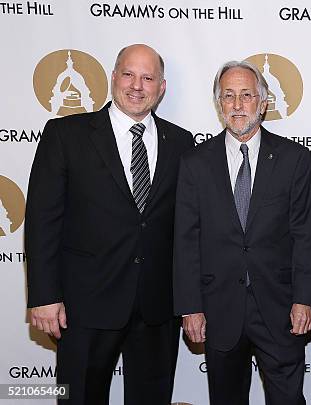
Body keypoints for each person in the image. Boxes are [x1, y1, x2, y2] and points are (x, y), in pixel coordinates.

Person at [25, 44, 194, 405]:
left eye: (148, 77)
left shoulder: (181, 143)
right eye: (129, 74)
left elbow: (187, 228)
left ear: (161, 87)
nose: (137, 85)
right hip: (84, 304)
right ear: (113, 77)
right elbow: (42, 221)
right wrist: (43, 296)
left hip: (157, 306)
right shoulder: (65, 135)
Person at [173, 60, 311, 405]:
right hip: (219, 308)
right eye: (228, 96)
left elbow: (305, 235)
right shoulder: (195, 163)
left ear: (263, 102)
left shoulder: (294, 159)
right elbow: (186, 240)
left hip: (280, 307)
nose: (237, 106)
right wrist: (190, 306)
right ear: (219, 103)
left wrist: (304, 298)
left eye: (247, 95)